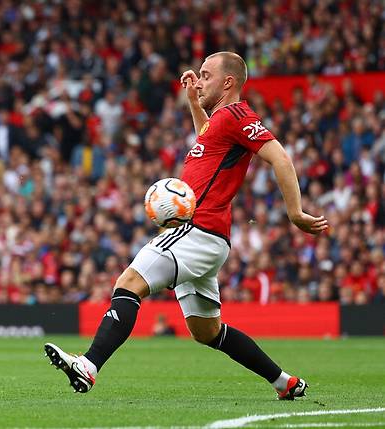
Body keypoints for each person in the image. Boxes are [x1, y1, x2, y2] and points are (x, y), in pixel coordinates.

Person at [44, 52, 328, 400]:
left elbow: (278, 155)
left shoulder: (239, 115)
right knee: (207, 331)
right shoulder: (221, 123)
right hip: (210, 238)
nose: (200, 79)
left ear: (228, 82)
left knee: (129, 282)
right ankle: (284, 382)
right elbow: (209, 140)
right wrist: (195, 102)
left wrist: (295, 212)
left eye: (207, 76)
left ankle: (88, 366)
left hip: (197, 230)